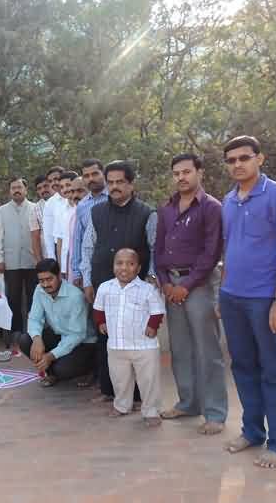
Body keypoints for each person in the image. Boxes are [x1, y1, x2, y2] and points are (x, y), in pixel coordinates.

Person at [219, 135, 276, 469]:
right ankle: (253, 432)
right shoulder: (229, 200)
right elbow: (230, 248)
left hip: (266, 300)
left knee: (275, 370)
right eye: (231, 160)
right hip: (233, 298)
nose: (238, 164)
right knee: (243, 367)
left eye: (244, 157)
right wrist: (223, 291)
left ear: (260, 158)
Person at [155, 153, 227, 435]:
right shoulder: (166, 209)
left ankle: (215, 413)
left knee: (207, 351)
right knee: (181, 349)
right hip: (171, 285)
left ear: (199, 173)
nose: (181, 177)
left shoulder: (211, 208)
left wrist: (186, 285)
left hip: (199, 284)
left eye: (186, 172)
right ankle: (188, 403)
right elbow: (158, 249)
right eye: (176, 173)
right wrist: (165, 283)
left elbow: (212, 252)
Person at [80, 160, 157, 401]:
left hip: (137, 288)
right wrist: (87, 280)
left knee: (135, 339)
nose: (114, 187)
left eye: (120, 182)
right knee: (105, 336)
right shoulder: (96, 212)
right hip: (103, 284)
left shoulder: (147, 213)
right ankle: (109, 391)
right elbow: (88, 247)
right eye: (110, 182)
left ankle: (136, 397)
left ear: (131, 184)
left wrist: (152, 279)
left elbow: (155, 249)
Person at [94, 249, 166, 427]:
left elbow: (157, 311)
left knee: (149, 381)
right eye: (119, 263)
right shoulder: (105, 288)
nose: (124, 268)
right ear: (113, 266)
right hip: (116, 345)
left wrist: (153, 326)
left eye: (130, 264)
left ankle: (151, 411)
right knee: (120, 379)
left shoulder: (148, 289)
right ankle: (122, 405)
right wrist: (101, 322)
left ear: (138, 268)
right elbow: (98, 308)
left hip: (144, 346)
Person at [19, 258, 97, 387]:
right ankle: (52, 372)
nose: (45, 285)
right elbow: (34, 318)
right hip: (60, 335)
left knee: (62, 369)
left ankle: (89, 369)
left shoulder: (75, 296)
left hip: (83, 343)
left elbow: (76, 335)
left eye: (49, 279)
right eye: (41, 280)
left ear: (59, 276)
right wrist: (37, 339)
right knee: (26, 340)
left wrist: (50, 356)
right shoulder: (39, 290)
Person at [0, 177, 37, 338]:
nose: (16, 190)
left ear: (26, 190)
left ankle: (33, 331)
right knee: (13, 297)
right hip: (11, 263)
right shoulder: (2, 211)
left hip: (32, 261)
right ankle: (15, 331)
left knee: (34, 298)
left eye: (19, 187)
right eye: (13, 188)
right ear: (10, 191)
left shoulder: (35, 208)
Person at [70, 158, 108, 288]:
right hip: (91, 268)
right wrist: (76, 272)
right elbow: (78, 239)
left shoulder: (114, 198)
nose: (91, 179)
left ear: (103, 174)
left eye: (95, 174)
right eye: (86, 176)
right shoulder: (82, 205)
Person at [54, 173, 80, 279]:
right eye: (62, 187)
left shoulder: (83, 206)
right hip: (66, 264)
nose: (65, 189)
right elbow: (59, 240)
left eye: (68, 185)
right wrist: (61, 267)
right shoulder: (60, 209)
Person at [41, 166, 66, 260]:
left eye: (56, 179)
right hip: (59, 247)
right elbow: (48, 233)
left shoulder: (74, 197)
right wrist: (52, 257)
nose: (54, 183)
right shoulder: (50, 203)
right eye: (50, 181)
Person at [29, 174, 52, 262]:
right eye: (39, 188)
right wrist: (39, 261)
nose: (43, 190)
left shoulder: (63, 202)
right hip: (47, 255)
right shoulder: (35, 209)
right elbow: (35, 238)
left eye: (46, 186)